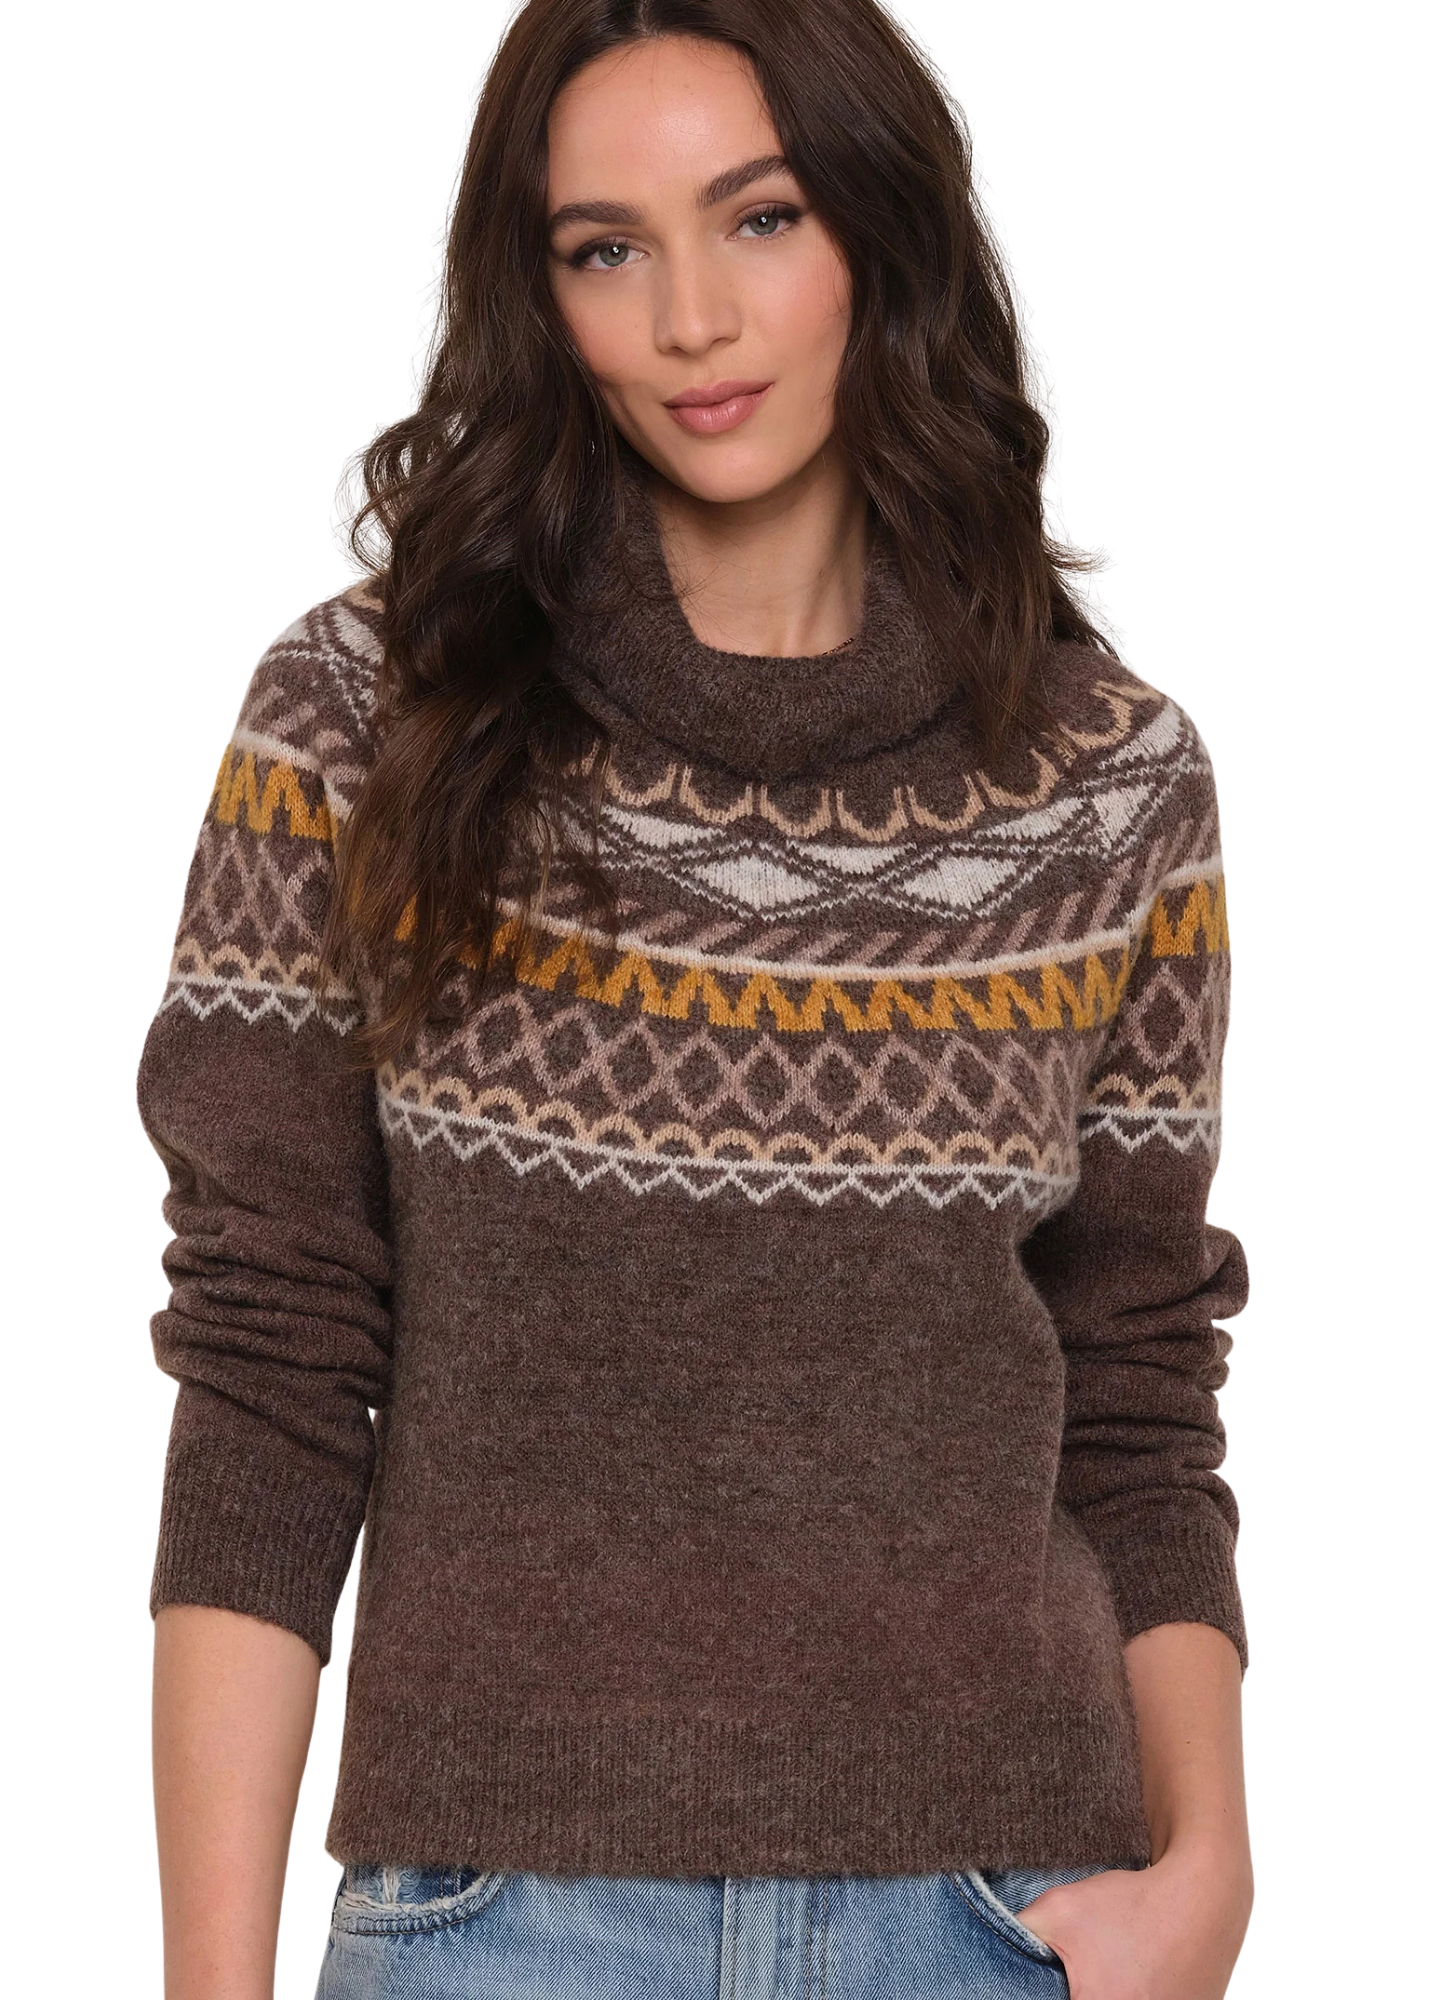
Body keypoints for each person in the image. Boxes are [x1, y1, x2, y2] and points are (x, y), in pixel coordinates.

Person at [139, 3, 1254, 1996]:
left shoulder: (1110, 783)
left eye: (760, 217)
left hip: (997, 1914)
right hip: (505, 1922)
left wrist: (1214, 1866)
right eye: (607, 249)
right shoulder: (364, 723)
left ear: (883, 232)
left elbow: (1139, 1374)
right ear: (538, 293)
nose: (690, 321)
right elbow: (271, 1367)